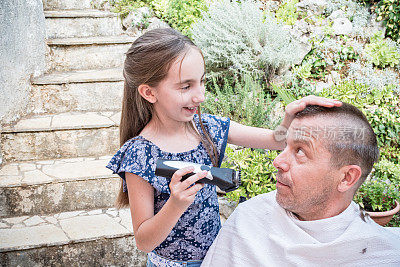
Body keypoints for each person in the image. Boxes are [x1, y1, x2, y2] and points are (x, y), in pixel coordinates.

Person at [106, 28, 341, 266]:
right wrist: (176, 204)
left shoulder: (208, 127)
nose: (200, 96)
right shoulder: (139, 154)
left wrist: (289, 116)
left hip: (217, 258)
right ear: (149, 92)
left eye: (202, 82)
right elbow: (144, 242)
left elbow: (276, 140)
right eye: (186, 87)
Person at [202, 103, 400, 266]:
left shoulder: (382, 255)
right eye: (286, 146)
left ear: (347, 178)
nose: (277, 161)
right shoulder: (248, 221)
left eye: (300, 151)